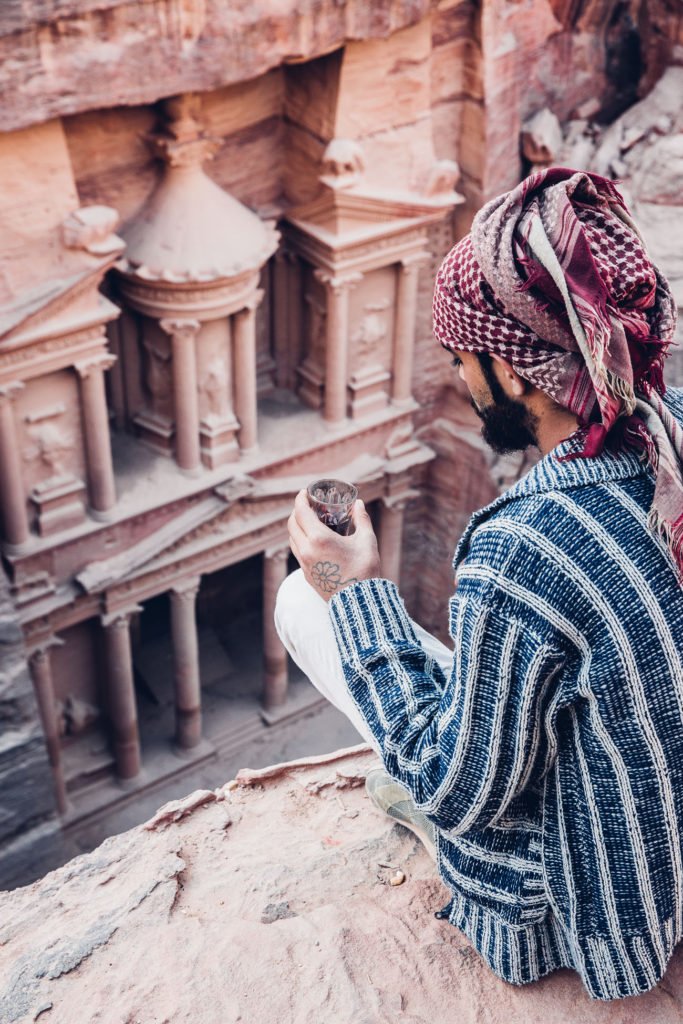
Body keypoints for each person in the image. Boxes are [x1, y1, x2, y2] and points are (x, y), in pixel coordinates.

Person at [274, 167, 683, 1001]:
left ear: (512, 368)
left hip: (606, 888)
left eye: (464, 360)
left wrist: (346, 584)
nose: (461, 383)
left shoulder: (523, 550)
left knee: (299, 602)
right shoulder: (672, 427)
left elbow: (458, 790)